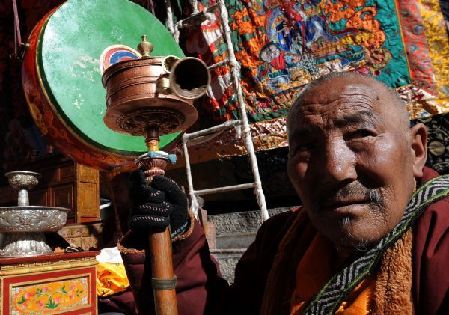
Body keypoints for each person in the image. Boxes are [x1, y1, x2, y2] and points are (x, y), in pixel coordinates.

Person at [99, 72, 449, 314]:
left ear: (416, 151)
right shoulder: (281, 240)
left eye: (359, 134)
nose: (335, 170)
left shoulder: (441, 236)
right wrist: (177, 242)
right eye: (306, 148)